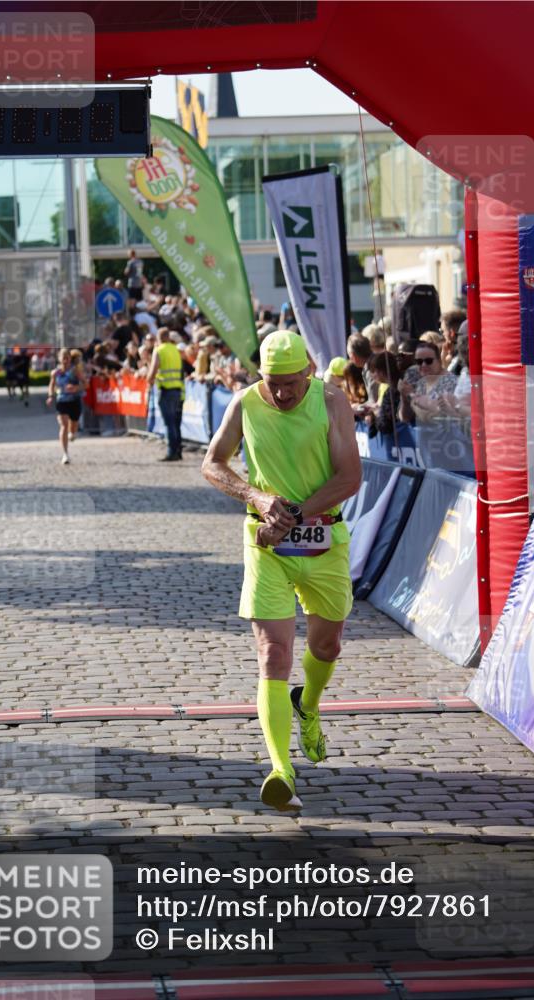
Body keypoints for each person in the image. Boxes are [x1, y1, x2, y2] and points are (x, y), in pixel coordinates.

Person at [202, 331, 361, 812]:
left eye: (290, 383)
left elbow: (349, 477)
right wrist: (257, 497)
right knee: (273, 652)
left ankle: (308, 704)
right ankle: (280, 769)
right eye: (273, 382)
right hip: (265, 544)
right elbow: (212, 464)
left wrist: (293, 514)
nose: (282, 393)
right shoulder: (245, 404)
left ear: (308, 373)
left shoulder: (332, 402)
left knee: (326, 645)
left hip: (322, 543)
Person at [398, 340, 457, 425]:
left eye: (428, 361)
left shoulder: (450, 381)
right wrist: (404, 398)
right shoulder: (420, 383)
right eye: (419, 362)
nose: (423, 365)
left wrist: (413, 396)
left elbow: (439, 415)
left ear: (439, 360)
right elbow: (405, 418)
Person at [147, 328, 184, 462]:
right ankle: (178, 451)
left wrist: (149, 380)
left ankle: (171, 452)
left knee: (169, 423)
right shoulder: (175, 349)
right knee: (175, 422)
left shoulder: (159, 350)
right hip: (177, 389)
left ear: (159, 337)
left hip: (165, 389)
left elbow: (153, 369)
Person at [47, 348, 85, 464]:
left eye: (67, 358)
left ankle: (73, 433)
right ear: (59, 359)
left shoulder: (75, 371)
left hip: (74, 400)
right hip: (61, 401)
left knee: (73, 427)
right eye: (63, 358)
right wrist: (50, 396)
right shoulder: (55, 373)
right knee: (64, 425)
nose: (65, 360)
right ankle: (65, 454)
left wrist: (76, 388)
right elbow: (51, 386)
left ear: (70, 359)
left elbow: (85, 384)